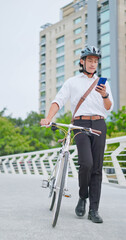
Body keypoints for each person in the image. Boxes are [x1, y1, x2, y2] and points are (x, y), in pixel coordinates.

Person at [40, 45, 114, 223]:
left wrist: (104, 95)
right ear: (82, 61)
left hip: (99, 123)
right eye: (89, 60)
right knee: (86, 163)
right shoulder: (72, 82)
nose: (92, 64)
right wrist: (48, 118)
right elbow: (58, 100)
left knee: (96, 168)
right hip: (79, 124)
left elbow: (109, 107)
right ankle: (83, 196)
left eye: (95, 61)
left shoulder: (103, 83)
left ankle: (93, 210)